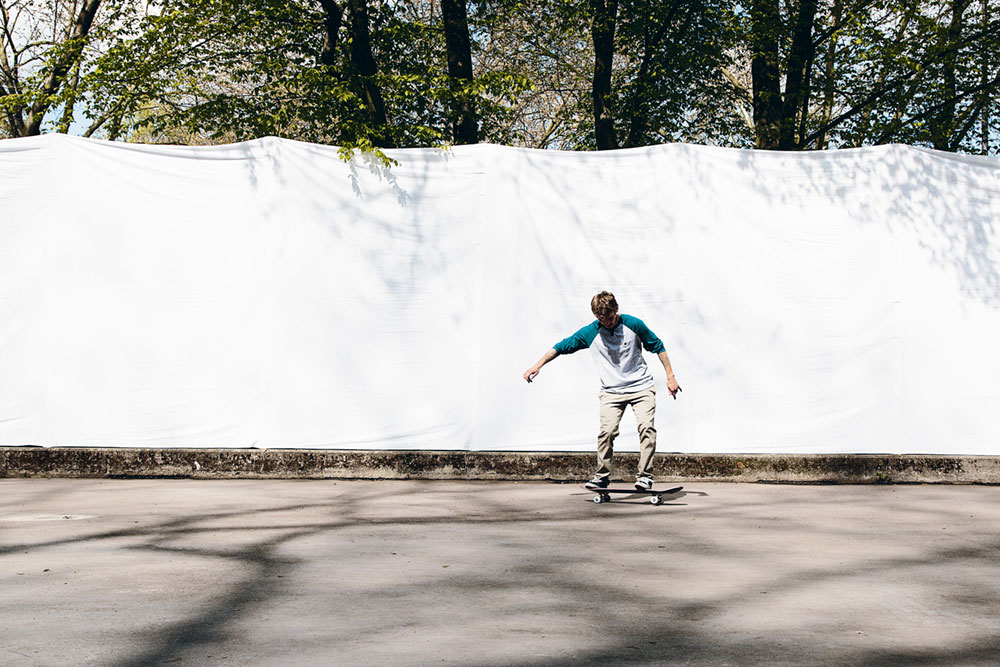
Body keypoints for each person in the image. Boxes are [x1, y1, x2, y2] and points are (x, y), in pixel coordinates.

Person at [522, 291, 681, 490]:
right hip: (612, 392)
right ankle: (602, 476)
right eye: (602, 319)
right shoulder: (591, 332)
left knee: (647, 429)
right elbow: (561, 346)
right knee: (606, 432)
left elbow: (658, 346)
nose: (607, 323)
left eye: (610, 318)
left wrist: (670, 377)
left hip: (641, 387)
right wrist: (537, 366)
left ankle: (645, 476)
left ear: (616, 311)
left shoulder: (634, 324)